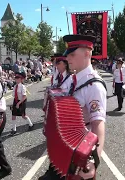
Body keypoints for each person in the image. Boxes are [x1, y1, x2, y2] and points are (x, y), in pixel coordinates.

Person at [39, 34, 106, 180]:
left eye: (72, 54)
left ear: (87, 53)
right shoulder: (71, 80)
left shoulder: (94, 86)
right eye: (67, 54)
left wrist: (95, 161)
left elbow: (98, 124)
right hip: (64, 147)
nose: (67, 58)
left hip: (80, 152)